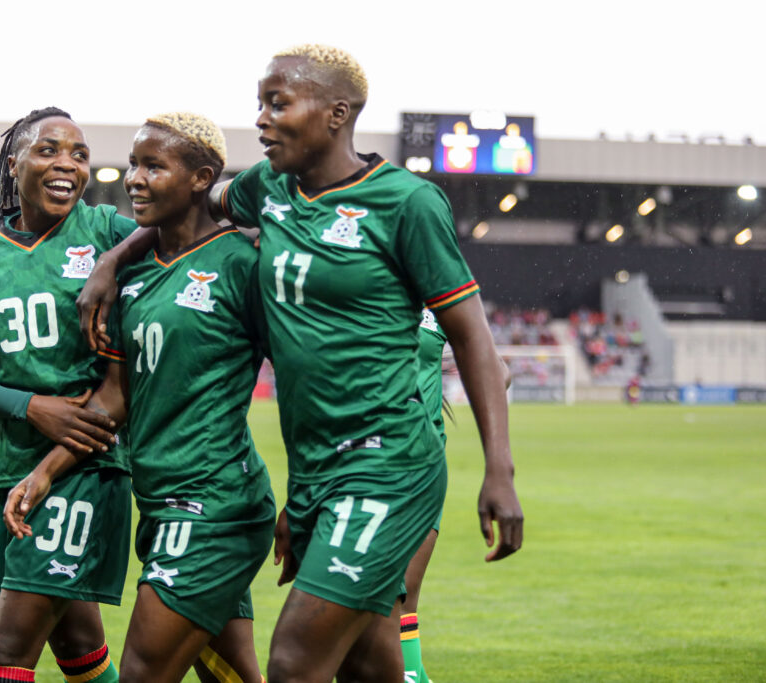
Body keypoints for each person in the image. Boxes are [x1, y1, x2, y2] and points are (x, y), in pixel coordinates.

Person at [80, 45, 524, 683]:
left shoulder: (406, 203)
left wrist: (499, 473)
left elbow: (473, 339)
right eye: (259, 103)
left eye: (278, 103)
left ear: (336, 113)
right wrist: (113, 259)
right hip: (317, 473)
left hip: (387, 465)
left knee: (293, 660)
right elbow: (191, 213)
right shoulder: (270, 189)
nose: (261, 119)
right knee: (368, 665)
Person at [4, 112, 275, 683]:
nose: (133, 179)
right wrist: (47, 470)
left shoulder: (244, 262)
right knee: (232, 673)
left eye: (154, 166)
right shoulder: (136, 275)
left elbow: (300, 381)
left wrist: (309, 491)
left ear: (202, 178)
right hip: (159, 500)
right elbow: (116, 394)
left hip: (213, 504)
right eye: (132, 164)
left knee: (142, 673)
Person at [0, 107, 135, 683]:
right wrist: (29, 407)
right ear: (13, 161)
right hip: (8, 465)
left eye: (79, 153)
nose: (66, 163)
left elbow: (188, 226)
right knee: (76, 641)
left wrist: (117, 258)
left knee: (8, 646)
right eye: (48, 150)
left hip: (84, 464)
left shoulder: (104, 230)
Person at [400, 311, 512, 683]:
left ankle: (411, 673)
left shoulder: (435, 287)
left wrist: (500, 471)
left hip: (419, 468)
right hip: (347, 465)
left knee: (398, 603)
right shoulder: (352, 274)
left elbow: (497, 370)